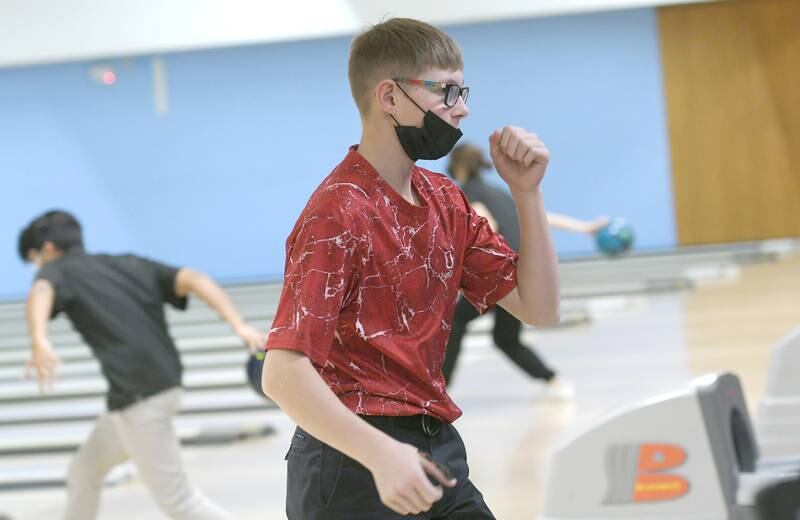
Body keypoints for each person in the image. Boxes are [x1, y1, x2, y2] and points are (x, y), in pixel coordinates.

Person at [261, 18, 560, 519]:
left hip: (434, 446)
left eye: (462, 90)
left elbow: (540, 308)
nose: (461, 106)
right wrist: (379, 454)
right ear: (389, 97)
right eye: (445, 91)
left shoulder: (446, 200)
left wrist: (527, 193)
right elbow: (282, 374)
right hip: (350, 464)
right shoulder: (338, 212)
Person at [18, 209, 267, 520]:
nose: (38, 269)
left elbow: (41, 291)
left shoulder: (57, 270)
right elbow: (194, 278)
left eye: (35, 260)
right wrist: (238, 324)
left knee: (180, 502)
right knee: (84, 471)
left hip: (141, 398)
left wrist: (39, 340)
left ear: (49, 249)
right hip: (142, 395)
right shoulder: (127, 264)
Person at [443, 143, 608, 396]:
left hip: (499, 277)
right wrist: (585, 228)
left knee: (457, 320)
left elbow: (486, 222)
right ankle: (554, 382)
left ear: (457, 167)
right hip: (521, 275)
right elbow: (540, 217)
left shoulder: (465, 194)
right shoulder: (499, 192)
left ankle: (441, 389)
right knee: (505, 339)